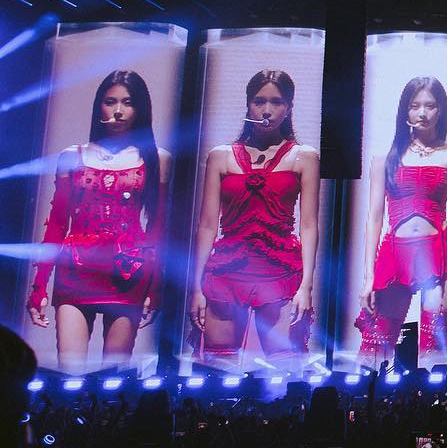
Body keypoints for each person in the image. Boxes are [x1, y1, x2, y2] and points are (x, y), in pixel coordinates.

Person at [29, 70, 171, 373]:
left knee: (113, 376)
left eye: (128, 102)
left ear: (140, 108)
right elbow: (57, 225)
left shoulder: (156, 159)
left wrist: (155, 286)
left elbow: (157, 230)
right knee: (70, 371)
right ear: (99, 106)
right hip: (76, 270)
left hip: (128, 272)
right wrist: (39, 286)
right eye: (110, 101)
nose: (118, 110)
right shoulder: (72, 155)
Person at [189, 71, 319, 370]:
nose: (267, 110)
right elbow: (207, 226)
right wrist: (196, 287)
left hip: (279, 273)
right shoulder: (220, 156)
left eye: (277, 102)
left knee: (285, 368)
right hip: (227, 273)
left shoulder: (304, 157)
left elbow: (309, 225)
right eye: (259, 101)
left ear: (289, 107)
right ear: (248, 104)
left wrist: (306, 287)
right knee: (217, 368)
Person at [356, 76, 447, 365]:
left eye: (430, 106)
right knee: (375, 349)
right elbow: (374, 218)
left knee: (434, 349)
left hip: (440, 255)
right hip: (396, 252)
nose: (422, 113)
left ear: (441, 110)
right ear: (405, 110)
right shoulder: (384, 158)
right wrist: (369, 276)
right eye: (415, 105)